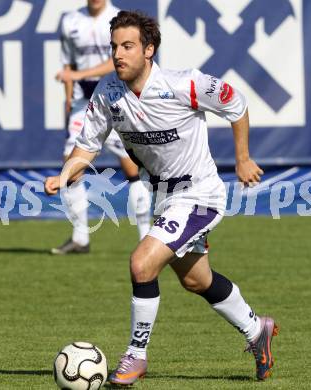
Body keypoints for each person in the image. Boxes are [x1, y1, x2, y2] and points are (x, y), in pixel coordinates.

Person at [45, 10, 279, 385]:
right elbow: (85, 149)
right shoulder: (108, 93)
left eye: (128, 46)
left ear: (149, 50)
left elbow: (236, 103)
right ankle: (257, 330)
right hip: (166, 198)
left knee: (142, 264)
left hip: (200, 193)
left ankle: (135, 357)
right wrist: (64, 175)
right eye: (114, 46)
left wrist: (243, 158)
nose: (118, 54)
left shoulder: (184, 83)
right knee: (196, 280)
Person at [52, 0, 151, 255]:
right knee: (71, 167)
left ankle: (146, 239)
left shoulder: (120, 19)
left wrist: (77, 76)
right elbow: (68, 66)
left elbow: (117, 61)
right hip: (82, 103)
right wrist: (68, 99)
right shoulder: (70, 21)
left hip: (115, 97)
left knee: (133, 168)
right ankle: (80, 238)